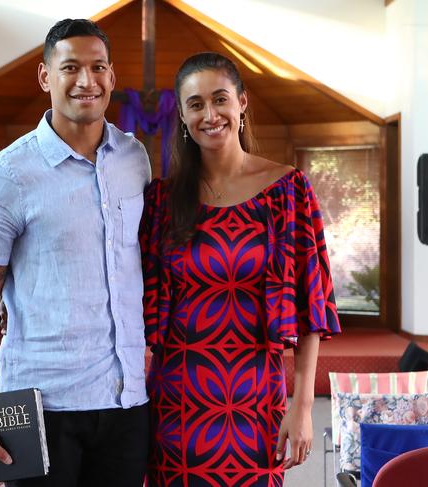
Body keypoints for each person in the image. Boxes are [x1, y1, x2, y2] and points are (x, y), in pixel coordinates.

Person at [0, 19, 151, 487]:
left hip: (125, 403)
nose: (87, 80)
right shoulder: (8, 174)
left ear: (111, 76)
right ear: (46, 77)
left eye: (98, 67)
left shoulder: (134, 159)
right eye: (71, 68)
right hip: (37, 406)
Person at [139, 52, 341, 486]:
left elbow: (313, 308)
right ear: (183, 115)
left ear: (242, 103)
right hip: (176, 403)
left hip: (255, 400)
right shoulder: (161, 200)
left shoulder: (287, 191)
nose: (209, 115)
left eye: (219, 99)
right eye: (195, 104)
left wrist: (302, 405)